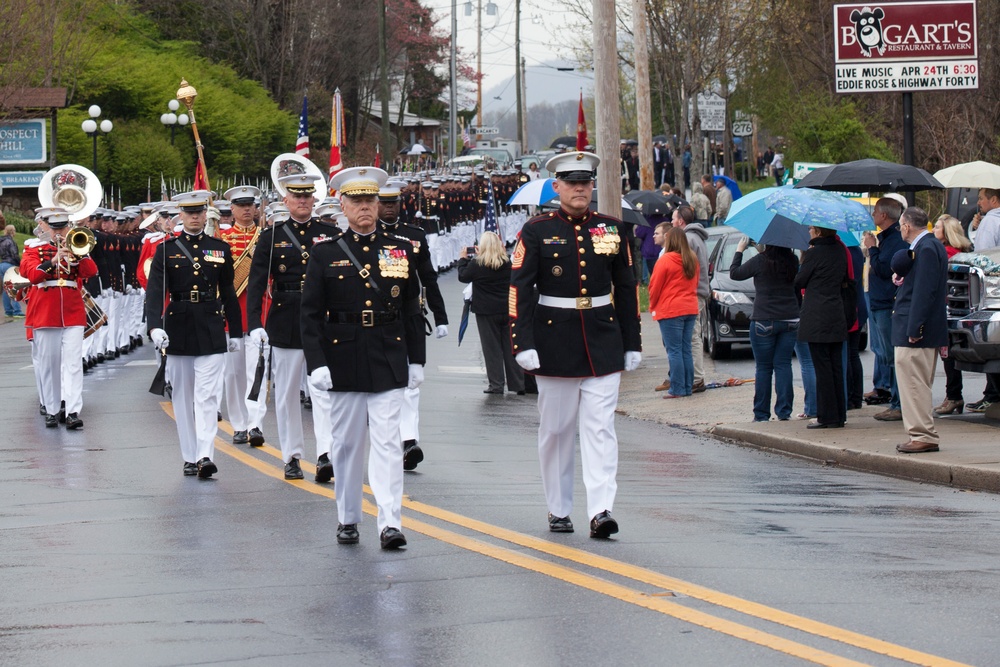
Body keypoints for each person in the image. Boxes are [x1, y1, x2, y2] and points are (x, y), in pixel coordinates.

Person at [511, 151, 641, 538]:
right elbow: (518, 289)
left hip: (603, 339)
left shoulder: (613, 229)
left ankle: (601, 510)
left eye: (585, 182)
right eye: (571, 182)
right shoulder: (535, 231)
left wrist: (631, 340)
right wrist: (522, 341)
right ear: (557, 187)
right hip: (554, 341)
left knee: (600, 430)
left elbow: (626, 287)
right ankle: (559, 508)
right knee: (556, 431)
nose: (580, 188)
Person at [301, 166, 426, 550]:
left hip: (388, 353)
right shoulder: (325, 254)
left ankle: (390, 522)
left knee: (388, 443)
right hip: (342, 356)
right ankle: (348, 516)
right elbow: (309, 314)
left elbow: (411, 307)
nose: (365, 208)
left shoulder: (400, 249)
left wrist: (416, 359)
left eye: (370, 200)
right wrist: (317, 362)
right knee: (347, 445)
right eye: (356, 201)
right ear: (342, 204)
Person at [247, 171, 337, 482]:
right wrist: (255, 323)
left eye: (307, 196)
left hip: (321, 320)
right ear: (286, 200)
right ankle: (292, 456)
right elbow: (257, 283)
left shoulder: (329, 233)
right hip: (284, 320)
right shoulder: (272, 237)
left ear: (314, 199)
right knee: (285, 395)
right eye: (296, 196)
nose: (302, 201)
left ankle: (325, 454)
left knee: (324, 391)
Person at [146, 191, 243, 477]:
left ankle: (204, 455)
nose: (195, 217)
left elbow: (228, 292)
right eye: (189, 213)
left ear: (205, 214)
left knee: (207, 397)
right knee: (183, 397)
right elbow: (155, 292)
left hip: (211, 324)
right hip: (178, 325)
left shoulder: (220, 248)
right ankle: (189, 454)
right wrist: (154, 326)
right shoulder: (166, 249)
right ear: (181, 216)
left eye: (199, 212)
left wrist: (235, 332)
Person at [378, 184, 449, 471]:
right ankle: (387, 436)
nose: (390, 208)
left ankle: (409, 441)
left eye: (394, 202)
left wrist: (441, 316)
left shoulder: (415, 236)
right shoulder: (369, 236)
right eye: (384, 203)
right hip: (379, 317)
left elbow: (429, 279)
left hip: (410, 316)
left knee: (411, 381)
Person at [20, 210, 98, 429]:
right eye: (54, 228)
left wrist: (79, 254)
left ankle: (73, 411)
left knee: (73, 364)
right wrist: (54, 260)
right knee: (49, 364)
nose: (58, 232)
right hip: (46, 311)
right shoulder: (33, 248)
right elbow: (33, 275)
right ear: (44, 227)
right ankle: (52, 409)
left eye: (62, 227)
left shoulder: (76, 245)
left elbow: (91, 271)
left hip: (72, 310)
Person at [893, 207, 949, 453]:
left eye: (900, 226)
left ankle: (922, 434)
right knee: (917, 383)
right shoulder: (930, 245)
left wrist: (915, 326)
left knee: (913, 384)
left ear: (906, 226)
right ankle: (921, 432)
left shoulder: (925, 248)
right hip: (921, 328)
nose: (900, 229)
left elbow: (925, 292)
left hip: (914, 330)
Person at [730, 238, 800, 421]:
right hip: (790, 318)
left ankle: (761, 414)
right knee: (784, 365)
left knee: (763, 368)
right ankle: (784, 412)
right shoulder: (792, 260)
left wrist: (740, 250)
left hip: (764, 319)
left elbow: (735, 273)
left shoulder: (760, 260)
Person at [219, 185, 267, 449]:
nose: (247, 209)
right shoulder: (223, 241)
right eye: (242, 205)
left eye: (251, 205)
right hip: (232, 314)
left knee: (257, 371)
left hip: (259, 312)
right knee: (234, 373)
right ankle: (238, 423)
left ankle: (255, 423)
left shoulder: (265, 238)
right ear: (233, 210)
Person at [794, 226, 849, 429]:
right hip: (836, 312)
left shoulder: (814, 253)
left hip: (817, 315)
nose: (808, 231)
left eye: (810, 228)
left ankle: (826, 416)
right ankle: (839, 414)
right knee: (836, 366)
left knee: (822, 368)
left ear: (818, 232)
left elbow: (800, 280)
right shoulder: (839, 249)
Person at [457, 231, 524, 395]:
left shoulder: (477, 264)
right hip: (507, 310)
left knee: (491, 349)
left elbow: (463, 276)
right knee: (510, 348)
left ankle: (496, 384)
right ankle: (518, 384)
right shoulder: (507, 263)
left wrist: (463, 259)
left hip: (486, 312)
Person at [862, 198, 907, 420]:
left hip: (887, 303)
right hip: (880, 302)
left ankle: (899, 404)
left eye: (875, 212)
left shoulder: (895, 240)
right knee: (888, 355)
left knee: (893, 355)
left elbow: (883, 269)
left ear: (884, 216)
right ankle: (896, 400)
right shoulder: (888, 239)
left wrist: (872, 249)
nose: (873, 216)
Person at [648, 224, 699, 398]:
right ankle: (686, 386)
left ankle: (677, 388)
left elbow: (654, 287)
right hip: (690, 307)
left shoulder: (666, 260)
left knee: (674, 351)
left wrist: (653, 305)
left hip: (671, 309)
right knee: (685, 350)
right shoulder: (692, 258)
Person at [932, 215, 972, 415]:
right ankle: (953, 395)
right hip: (960, 309)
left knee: (948, 356)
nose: (933, 230)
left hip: (946, 309)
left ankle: (954, 396)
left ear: (947, 233)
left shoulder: (945, 253)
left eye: (937, 227)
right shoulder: (962, 252)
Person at [965, 188, 1000, 413]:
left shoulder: (990, 222)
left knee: (991, 349)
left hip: (990, 293)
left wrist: (979, 230)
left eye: (981, 199)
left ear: (994, 200)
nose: (978, 203)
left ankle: (992, 395)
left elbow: (983, 256)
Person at [671, 205, 709, 393]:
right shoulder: (697, 237)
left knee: (692, 336)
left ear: (681, 221)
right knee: (694, 335)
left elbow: (684, 268)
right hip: (698, 291)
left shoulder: (687, 238)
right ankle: (694, 376)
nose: (671, 222)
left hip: (693, 292)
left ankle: (697, 378)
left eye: (673, 219)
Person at [1, 222, 24, 321]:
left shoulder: (1, 241)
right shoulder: (11, 242)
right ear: (12, 231)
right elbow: (14, 254)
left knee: (5, 289)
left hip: (2, 265)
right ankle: (17, 311)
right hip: (10, 265)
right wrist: (19, 264)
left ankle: (8, 311)